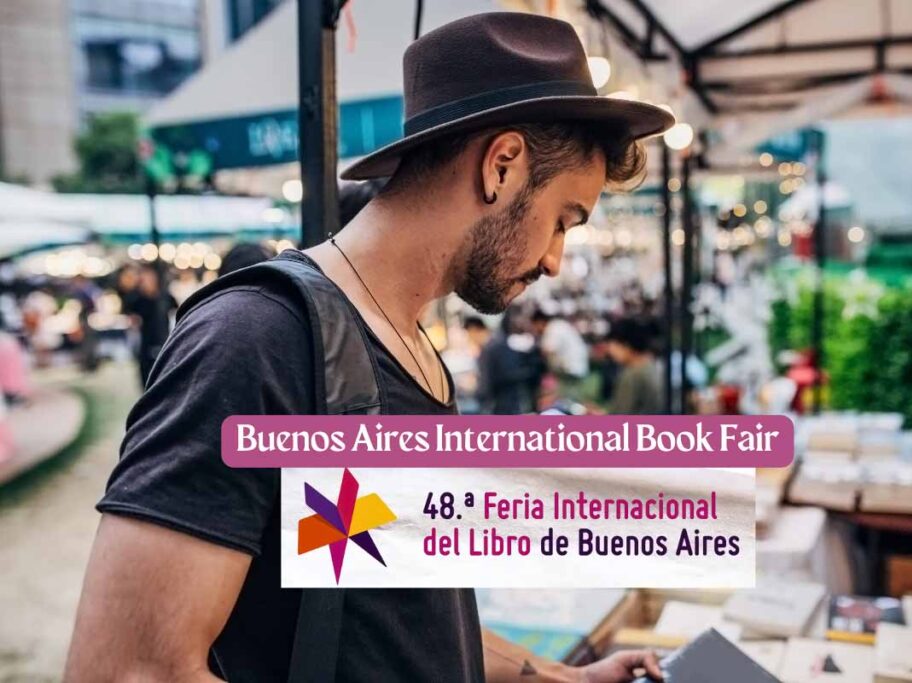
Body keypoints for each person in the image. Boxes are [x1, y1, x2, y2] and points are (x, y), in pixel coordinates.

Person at [67, 12, 672, 683]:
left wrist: (566, 676)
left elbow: (402, 608)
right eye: (564, 219)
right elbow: (128, 668)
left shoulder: (412, 354)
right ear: (501, 165)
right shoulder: (257, 338)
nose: (556, 259)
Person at [123, 265, 177, 388]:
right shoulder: (136, 298)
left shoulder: (165, 297)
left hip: (165, 342)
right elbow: (130, 318)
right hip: (145, 344)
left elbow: (175, 312)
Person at [604, 318, 665, 415]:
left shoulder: (633, 374)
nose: (611, 352)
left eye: (613, 345)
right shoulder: (655, 367)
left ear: (626, 345)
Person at [531, 309, 590, 402]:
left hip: (570, 369)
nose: (535, 329)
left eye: (535, 325)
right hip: (575, 366)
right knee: (569, 397)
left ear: (539, 322)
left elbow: (547, 350)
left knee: (568, 400)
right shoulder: (558, 325)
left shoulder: (553, 328)